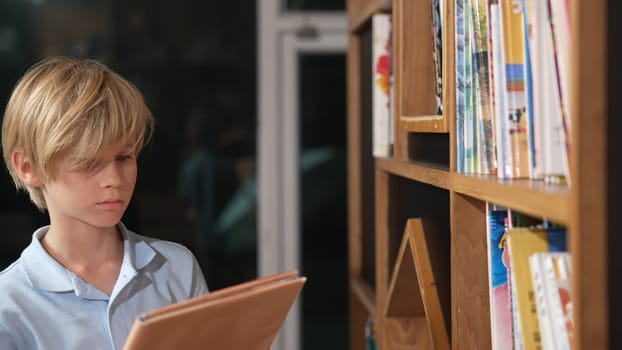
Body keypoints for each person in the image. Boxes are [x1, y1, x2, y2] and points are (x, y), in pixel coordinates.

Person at [0, 57, 208, 350]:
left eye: (124, 157)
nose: (114, 179)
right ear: (27, 167)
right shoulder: (8, 305)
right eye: (88, 161)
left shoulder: (175, 267)